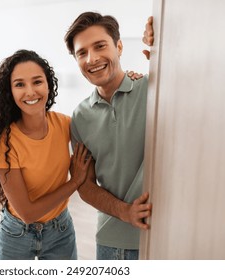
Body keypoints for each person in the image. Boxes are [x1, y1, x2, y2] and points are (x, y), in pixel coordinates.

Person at [0, 49, 91, 260]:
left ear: (48, 85)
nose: (30, 91)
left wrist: (128, 83)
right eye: (19, 84)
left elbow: (101, 127)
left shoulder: (64, 124)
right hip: (17, 235)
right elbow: (28, 213)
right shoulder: (5, 143)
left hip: (60, 232)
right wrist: (75, 182)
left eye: (37, 82)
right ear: (10, 92)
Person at [64, 12, 154, 260]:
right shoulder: (80, 116)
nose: (92, 59)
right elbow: (85, 186)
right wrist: (126, 212)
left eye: (100, 46)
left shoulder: (152, 89)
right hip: (111, 242)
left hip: (161, 234)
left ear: (119, 47)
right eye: (82, 53)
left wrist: (160, 44)